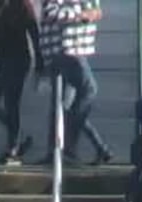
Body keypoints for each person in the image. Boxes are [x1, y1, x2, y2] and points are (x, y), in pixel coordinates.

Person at [37, 0, 114, 165]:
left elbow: (96, 10)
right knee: (89, 90)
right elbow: (50, 12)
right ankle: (68, 147)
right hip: (65, 51)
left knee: (63, 106)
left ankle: (63, 150)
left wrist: (93, 13)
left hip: (78, 49)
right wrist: (80, 16)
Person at [0, 0, 41, 164]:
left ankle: (13, 149)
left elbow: (34, 31)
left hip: (18, 60)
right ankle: (19, 137)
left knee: (11, 103)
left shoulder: (23, 4)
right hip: (3, 60)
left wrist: (39, 59)